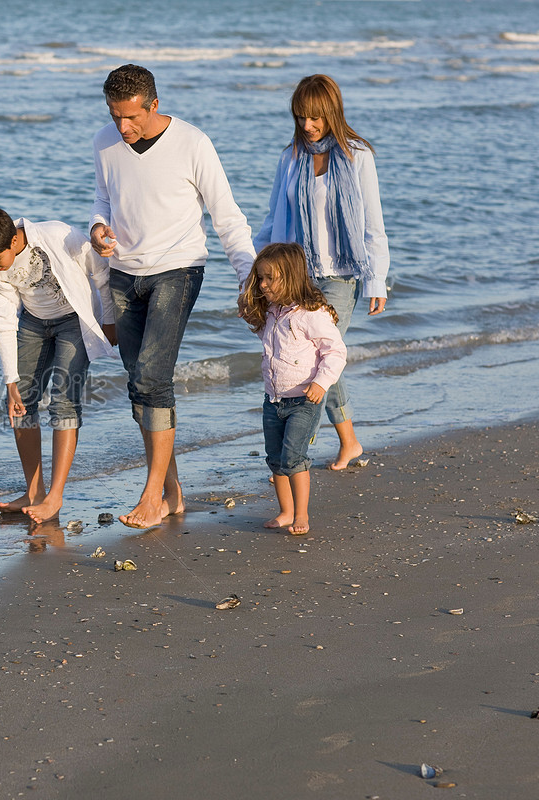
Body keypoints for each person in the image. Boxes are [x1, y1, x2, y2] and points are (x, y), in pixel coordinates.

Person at [89, 63, 256, 528]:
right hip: (123, 273)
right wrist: (97, 228)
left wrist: (249, 277)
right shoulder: (105, 142)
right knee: (139, 386)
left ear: (154, 105)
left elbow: (227, 216)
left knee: (152, 378)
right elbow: (103, 198)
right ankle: (172, 491)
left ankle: (152, 495)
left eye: (131, 117)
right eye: (114, 116)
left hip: (178, 269)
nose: (122, 127)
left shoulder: (193, 143)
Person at [253, 73, 390, 470]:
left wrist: (376, 279)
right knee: (310, 360)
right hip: (294, 276)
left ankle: (295, 455)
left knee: (321, 360)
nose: (308, 126)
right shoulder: (290, 157)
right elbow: (274, 215)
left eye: (315, 118)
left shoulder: (357, 156)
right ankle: (344, 443)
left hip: (340, 275)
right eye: (300, 118)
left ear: (331, 113)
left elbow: (371, 223)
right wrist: (254, 265)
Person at [0, 207, 117, 524]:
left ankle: (54, 498)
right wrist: (11, 383)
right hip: (34, 323)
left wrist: (110, 321)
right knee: (20, 404)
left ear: (13, 241)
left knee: (63, 402)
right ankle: (34, 492)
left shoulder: (57, 235)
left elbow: (100, 271)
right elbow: (3, 321)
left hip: (75, 321)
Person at [239, 243, 347, 535]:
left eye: (269, 278)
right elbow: (268, 340)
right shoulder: (272, 312)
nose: (262, 284)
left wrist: (321, 382)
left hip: (305, 401)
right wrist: (250, 310)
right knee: (275, 458)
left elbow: (335, 352)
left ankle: (302, 515)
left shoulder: (311, 314)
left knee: (293, 458)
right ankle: (285, 512)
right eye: (259, 277)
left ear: (290, 277)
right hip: (273, 400)